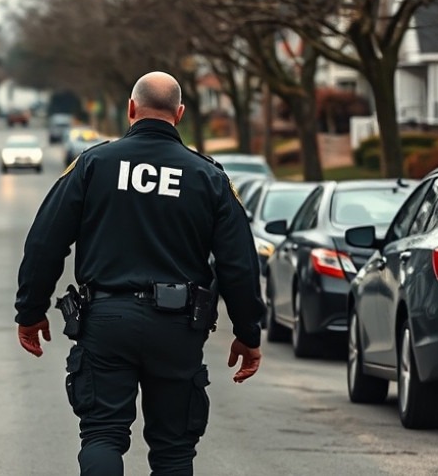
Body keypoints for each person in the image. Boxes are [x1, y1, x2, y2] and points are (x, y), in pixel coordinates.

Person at [14, 71, 265, 475]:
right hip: (178, 328)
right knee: (174, 450)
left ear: (131, 108)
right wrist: (248, 333)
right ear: (179, 113)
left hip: (107, 320)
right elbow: (238, 263)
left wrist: (30, 310)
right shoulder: (209, 177)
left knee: (102, 435)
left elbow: (45, 242)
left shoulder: (93, 164)